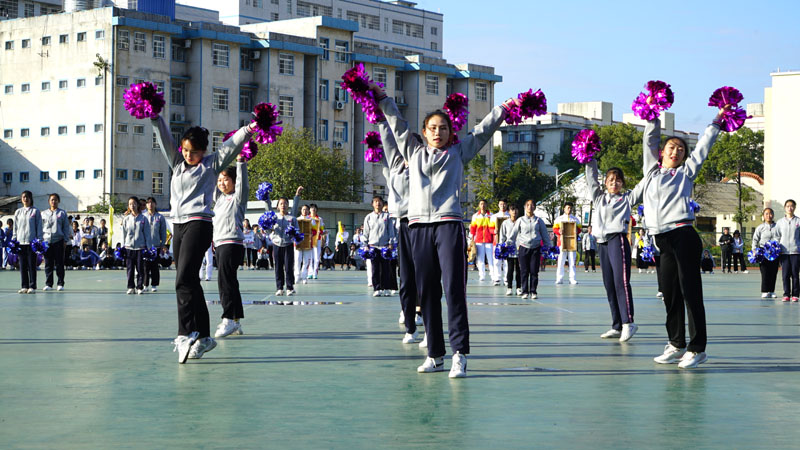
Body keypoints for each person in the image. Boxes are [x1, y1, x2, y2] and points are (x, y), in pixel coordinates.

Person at [376, 81, 515, 378]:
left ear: (451, 133)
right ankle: (435, 354)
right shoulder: (413, 152)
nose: (438, 132)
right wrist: (384, 100)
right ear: (424, 133)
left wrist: (503, 110)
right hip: (418, 228)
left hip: (449, 226)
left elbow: (482, 132)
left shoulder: (458, 153)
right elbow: (397, 125)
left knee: (453, 290)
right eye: (432, 128)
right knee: (425, 292)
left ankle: (459, 355)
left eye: (443, 128)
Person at [151, 110, 253, 363]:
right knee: (188, 280)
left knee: (183, 278)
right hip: (178, 225)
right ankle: (205, 337)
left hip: (200, 223)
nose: (188, 155)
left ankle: (185, 333)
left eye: (194, 152)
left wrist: (250, 128)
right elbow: (164, 138)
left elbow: (231, 145)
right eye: (186, 150)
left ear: (204, 152)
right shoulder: (176, 164)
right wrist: (155, 117)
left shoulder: (212, 164)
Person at [643, 102, 729, 369]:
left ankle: (697, 347)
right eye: (671, 147)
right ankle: (676, 343)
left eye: (681, 149)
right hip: (662, 239)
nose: (676, 151)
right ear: (662, 152)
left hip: (684, 235)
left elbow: (703, 145)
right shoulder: (651, 172)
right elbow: (649, 137)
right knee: (670, 294)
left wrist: (718, 120)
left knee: (690, 292)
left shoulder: (686, 173)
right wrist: (653, 111)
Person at [586, 159, 643, 342]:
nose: (614, 183)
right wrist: (589, 158)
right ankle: (617, 325)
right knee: (609, 285)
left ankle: (629, 322)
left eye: (618, 180)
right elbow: (591, 178)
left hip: (616, 240)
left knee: (621, 282)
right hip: (601, 243)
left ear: (622, 183)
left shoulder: (627, 199)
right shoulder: (599, 198)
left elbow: (643, 186)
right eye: (611, 179)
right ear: (605, 182)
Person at [213, 155, 248, 338]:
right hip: (220, 244)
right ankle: (236, 319)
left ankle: (228, 318)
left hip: (232, 243)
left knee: (224, 282)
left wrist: (241, 163)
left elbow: (244, 185)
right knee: (231, 282)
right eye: (220, 180)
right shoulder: (218, 199)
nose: (222, 183)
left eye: (226, 179)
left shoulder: (237, 198)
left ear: (234, 181)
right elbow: (209, 179)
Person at [506, 200, 550, 299]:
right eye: (528, 205)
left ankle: (533, 291)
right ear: (525, 207)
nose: (530, 207)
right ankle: (525, 291)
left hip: (535, 248)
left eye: (532, 205)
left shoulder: (539, 221)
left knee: (534, 271)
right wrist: (507, 244)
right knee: (524, 271)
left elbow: (545, 235)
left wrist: (549, 246)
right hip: (523, 248)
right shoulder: (520, 220)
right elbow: (513, 234)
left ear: (534, 207)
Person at [264, 187, 303, 296]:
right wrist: (266, 197)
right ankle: (279, 288)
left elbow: (297, 230)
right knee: (278, 267)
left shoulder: (292, 218)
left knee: (289, 267)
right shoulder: (274, 217)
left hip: (288, 245)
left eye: (285, 203)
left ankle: (290, 287)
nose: (283, 205)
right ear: (277, 206)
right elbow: (268, 226)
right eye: (281, 203)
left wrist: (297, 195)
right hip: (276, 245)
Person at [363, 196, 395, 297]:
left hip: (384, 246)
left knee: (386, 268)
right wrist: (365, 244)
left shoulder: (387, 216)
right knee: (375, 269)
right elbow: (366, 232)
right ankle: (377, 288)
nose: (378, 204)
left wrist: (391, 242)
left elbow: (391, 230)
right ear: (372, 204)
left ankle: (386, 288)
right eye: (376, 202)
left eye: (380, 201)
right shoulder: (368, 217)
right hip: (373, 247)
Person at [13, 190, 43, 294]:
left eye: (27, 197)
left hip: (32, 243)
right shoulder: (18, 212)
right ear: (21, 199)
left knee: (31, 265)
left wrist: (39, 239)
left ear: (31, 199)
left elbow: (39, 226)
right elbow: (15, 228)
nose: (25, 199)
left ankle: (32, 286)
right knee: (22, 265)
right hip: (21, 242)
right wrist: (14, 239)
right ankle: (24, 286)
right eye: (23, 197)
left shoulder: (35, 211)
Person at [42, 193, 72, 291]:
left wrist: (65, 240)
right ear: (49, 201)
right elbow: (41, 227)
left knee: (59, 263)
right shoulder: (44, 213)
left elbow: (66, 228)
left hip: (58, 240)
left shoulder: (62, 213)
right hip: (46, 241)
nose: (53, 201)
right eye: (52, 200)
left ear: (58, 201)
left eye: (55, 200)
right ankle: (49, 283)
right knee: (48, 263)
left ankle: (60, 283)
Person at [121, 196, 151, 295]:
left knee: (140, 269)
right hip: (129, 247)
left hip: (140, 247)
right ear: (128, 206)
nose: (132, 205)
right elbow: (124, 234)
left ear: (137, 204)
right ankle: (130, 287)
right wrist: (122, 246)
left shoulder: (143, 218)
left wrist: (149, 247)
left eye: (134, 203)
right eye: (130, 204)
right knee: (129, 269)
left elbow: (147, 234)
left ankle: (139, 287)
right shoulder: (126, 219)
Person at [775, 199, 800, 302]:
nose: (790, 208)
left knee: (795, 274)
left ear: (795, 207)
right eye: (788, 206)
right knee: (785, 274)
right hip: (783, 252)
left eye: (792, 206)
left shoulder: (798, 221)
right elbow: (777, 236)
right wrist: (777, 247)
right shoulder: (780, 222)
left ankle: (795, 295)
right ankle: (786, 294)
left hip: (795, 252)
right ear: (785, 208)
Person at [752, 207, 779, 298]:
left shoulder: (777, 227)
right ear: (763, 216)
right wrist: (754, 250)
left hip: (775, 253)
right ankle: (764, 291)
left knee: (773, 271)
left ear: (773, 215)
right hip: (763, 252)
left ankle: (771, 291)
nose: (769, 215)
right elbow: (755, 239)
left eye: (770, 213)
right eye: (766, 214)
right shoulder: (760, 227)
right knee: (764, 271)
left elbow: (781, 238)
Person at [553, 202, 582, 285]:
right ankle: (559, 278)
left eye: (570, 208)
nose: (569, 209)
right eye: (568, 208)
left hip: (572, 243)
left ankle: (572, 278)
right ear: (564, 208)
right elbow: (555, 229)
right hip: (561, 242)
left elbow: (579, 229)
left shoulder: (575, 219)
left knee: (572, 261)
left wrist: (577, 231)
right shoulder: (559, 219)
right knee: (561, 261)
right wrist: (559, 231)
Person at [143, 197, 167, 292]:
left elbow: (163, 232)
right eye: (148, 203)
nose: (150, 204)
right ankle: (145, 285)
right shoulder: (143, 216)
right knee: (145, 267)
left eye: (152, 202)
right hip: (145, 246)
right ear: (146, 205)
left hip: (156, 246)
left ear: (155, 204)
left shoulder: (160, 217)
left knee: (154, 267)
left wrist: (162, 244)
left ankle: (154, 285)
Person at [469, 200, 495, 283]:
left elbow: (494, 227)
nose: (483, 205)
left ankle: (493, 275)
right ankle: (482, 275)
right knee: (480, 259)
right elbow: (472, 228)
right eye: (481, 204)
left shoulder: (491, 215)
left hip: (489, 240)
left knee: (491, 258)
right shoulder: (476, 216)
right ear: (479, 205)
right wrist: (471, 238)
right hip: (479, 240)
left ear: (486, 205)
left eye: (484, 203)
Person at [498, 205, 522, 296]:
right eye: (512, 210)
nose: (514, 212)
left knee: (519, 269)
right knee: (510, 268)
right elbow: (502, 236)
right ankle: (509, 287)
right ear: (509, 211)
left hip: (520, 247)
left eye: (515, 209)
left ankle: (519, 287)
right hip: (510, 248)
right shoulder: (505, 223)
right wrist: (501, 246)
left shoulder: (521, 221)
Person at [490, 200, 510, 285]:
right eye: (501, 204)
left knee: (506, 261)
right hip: (496, 241)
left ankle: (506, 278)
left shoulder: (510, 216)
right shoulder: (494, 216)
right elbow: (490, 229)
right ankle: (497, 278)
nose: (503, 205)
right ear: (498, 205)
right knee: (497, 260)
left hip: (507, 242)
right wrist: (495, 231)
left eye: (504, 204)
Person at [294, 204, 314, 284]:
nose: (305, 211)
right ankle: (297, 276)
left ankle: (304, 276)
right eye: (303, 209)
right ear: (301, 210)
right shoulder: (297, 219)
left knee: (306, 260)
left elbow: (316, 230)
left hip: (308, 242)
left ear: (308, 211)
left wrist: (312, 233)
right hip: (298, 242)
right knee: (297, 260)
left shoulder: (311, 220)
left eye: (306, 209)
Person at [309, 204, 325, 279]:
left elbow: (322, 229)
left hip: (317, 239)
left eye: (314, 208)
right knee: (309, 256)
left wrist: (321, 232)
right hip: (309, 239)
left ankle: (315, 272)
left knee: (316, 256)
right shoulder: (307, 218)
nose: (313, 210)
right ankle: (310, 272)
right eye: (312, 208)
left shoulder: (319, 219)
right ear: (310, 210)